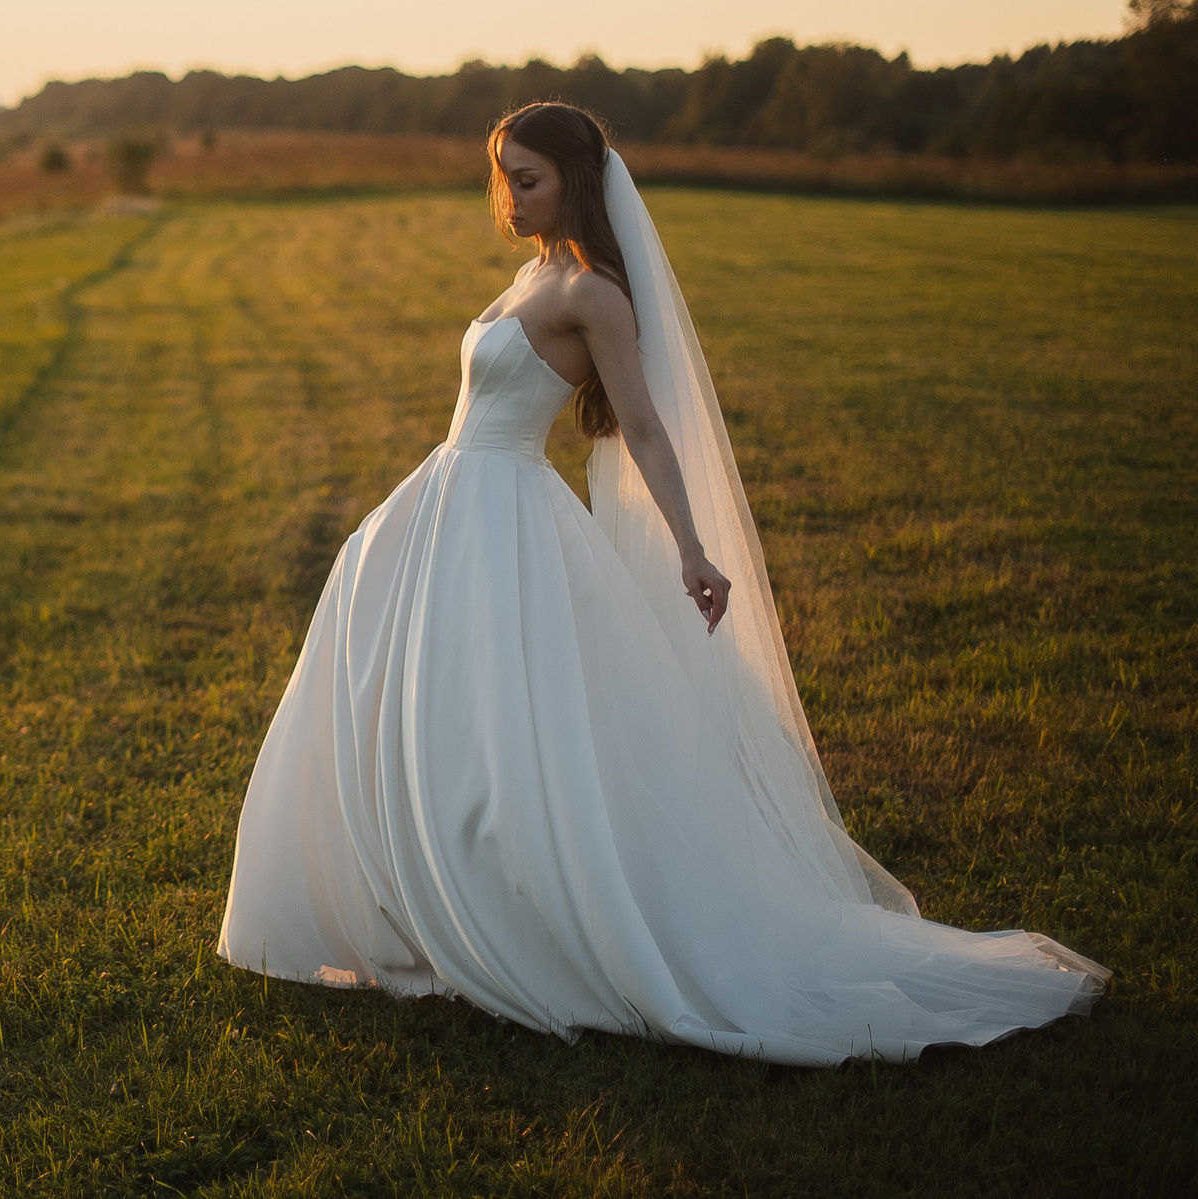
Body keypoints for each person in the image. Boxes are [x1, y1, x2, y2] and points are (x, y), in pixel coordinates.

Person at [215, 101, 1106, 1065]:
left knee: (511, 728)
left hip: (505, 508)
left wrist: (690, 546)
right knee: (415, 705)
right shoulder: (534, 273)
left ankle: (518, 910)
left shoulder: (593, 293)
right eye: (503, 176)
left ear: (576, 181)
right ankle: (417, 900)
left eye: (530, 178)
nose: (509, 196)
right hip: (446, 504)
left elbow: (640, 426)